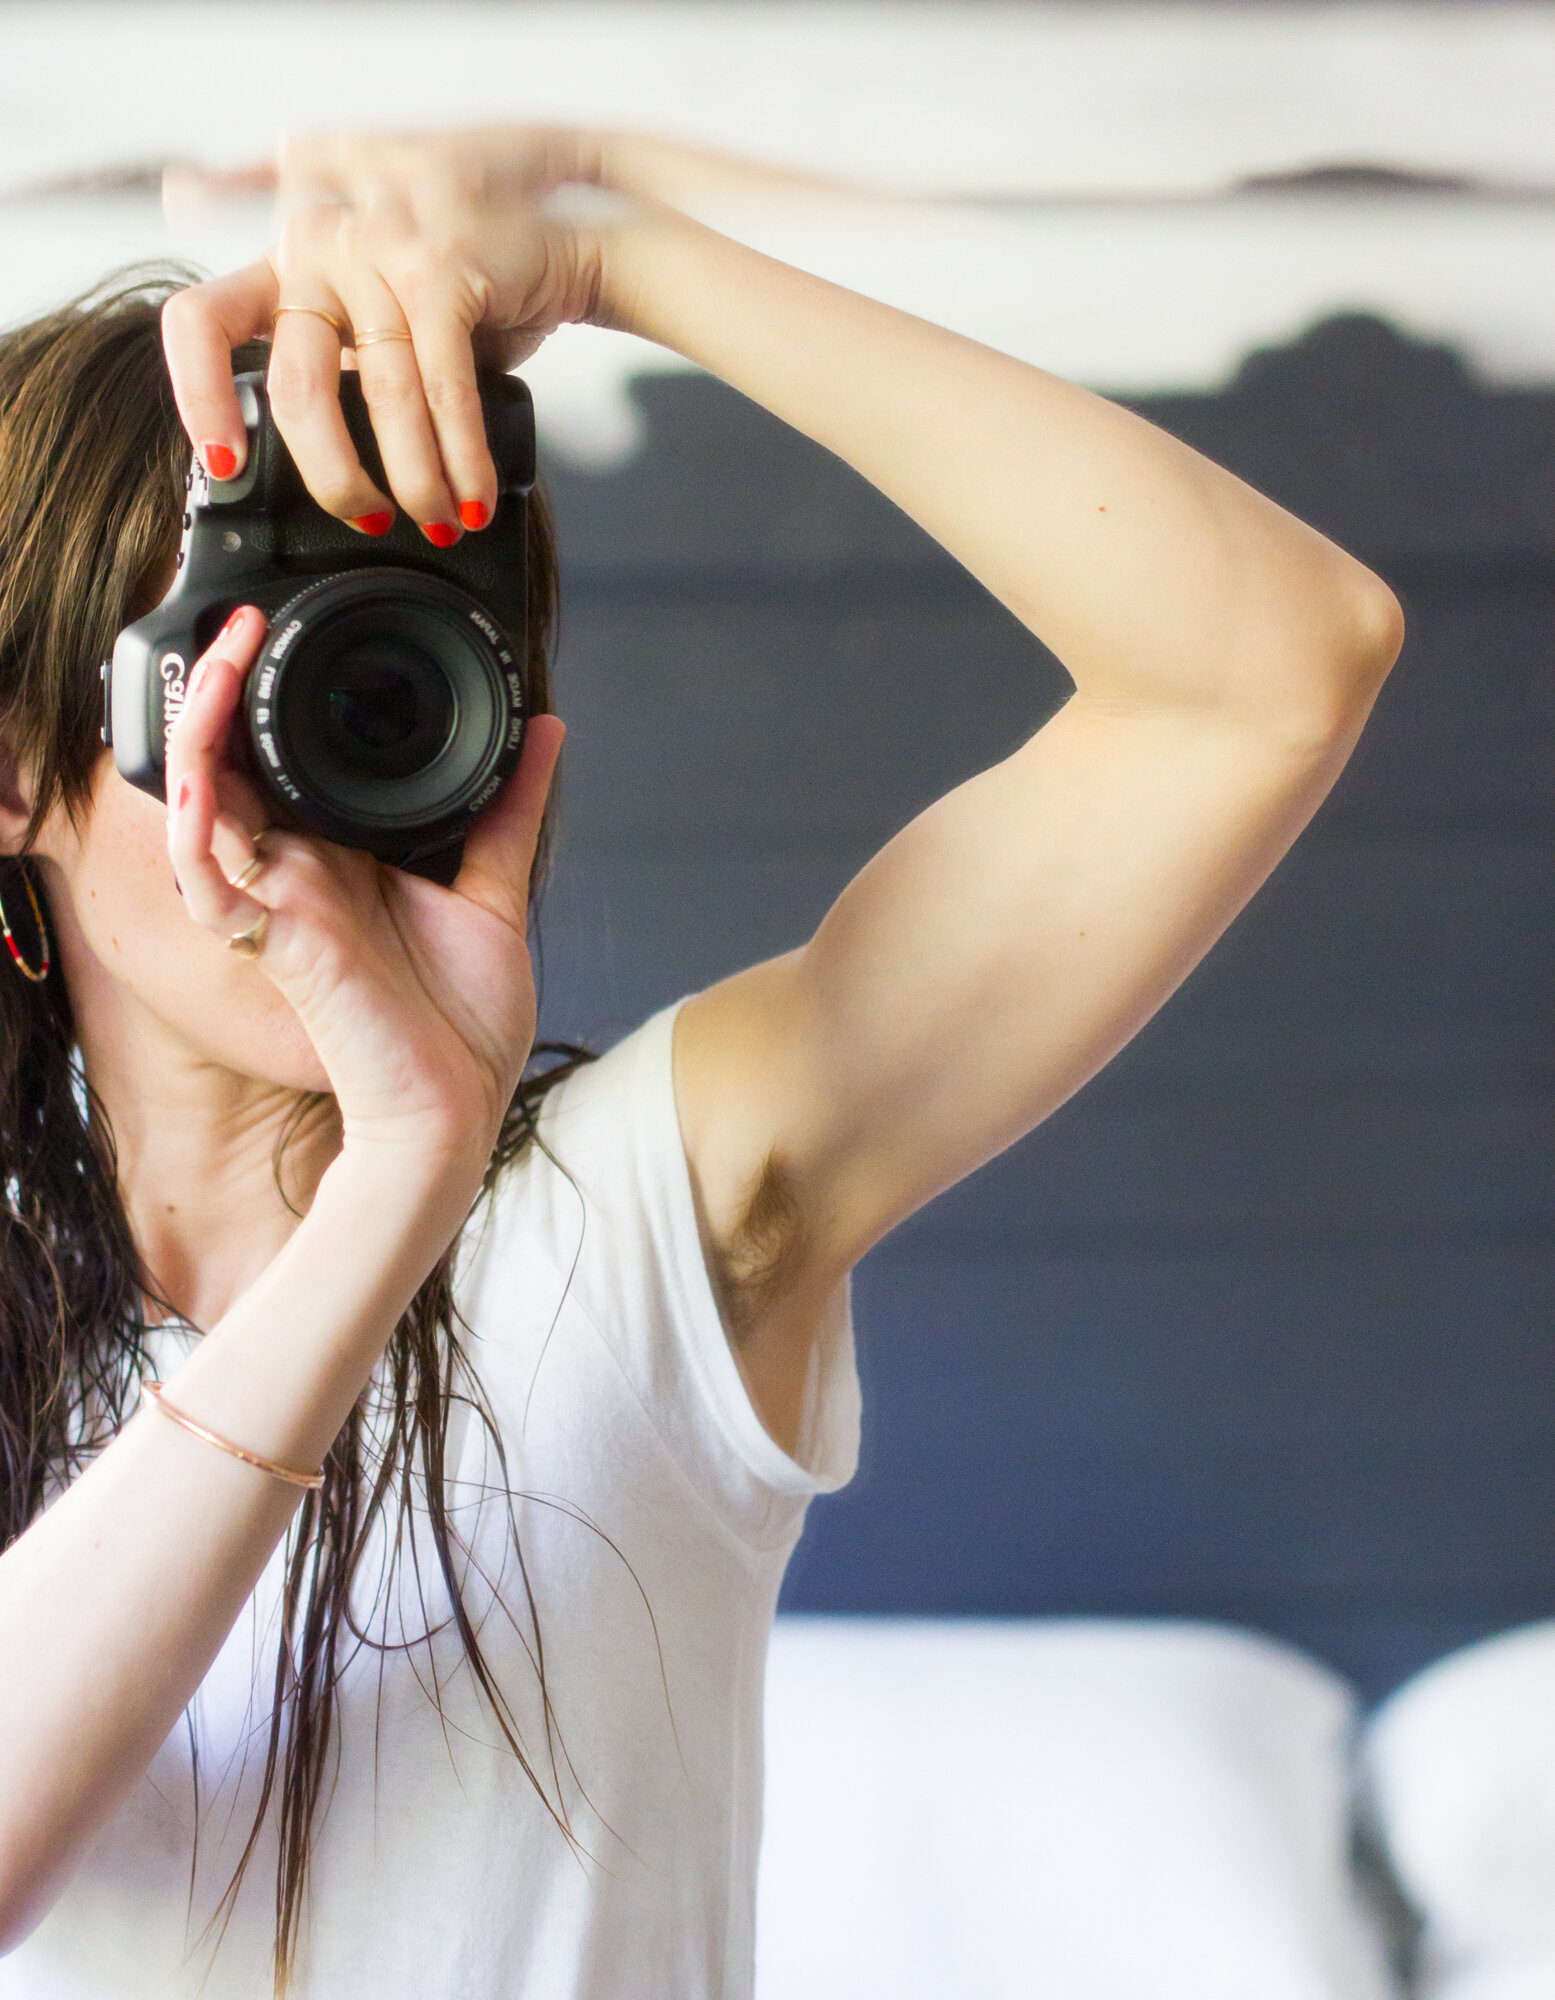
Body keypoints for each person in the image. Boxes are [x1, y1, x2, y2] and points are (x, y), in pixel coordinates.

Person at [0, 128, 1402, 1999]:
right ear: (25, 759)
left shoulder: (654, 1204)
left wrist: (604, 243)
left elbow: (1274, 663)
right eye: (245, 670)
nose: (326, 768)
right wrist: (392, 1183)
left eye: (392, 673)